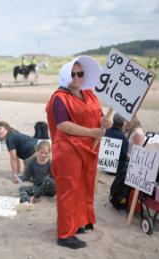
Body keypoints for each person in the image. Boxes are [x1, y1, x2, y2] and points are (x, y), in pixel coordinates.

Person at [45, 57, 106, 249]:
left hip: (88, 150)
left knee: (83, 188)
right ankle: (65, 235)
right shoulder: (59, 98)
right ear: (65, 75)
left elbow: (100, 117)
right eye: (73, 74)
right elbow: (63, 125)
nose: (77, 77)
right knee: (69, 191)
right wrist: (91, 132)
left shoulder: (90, 95)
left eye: (80, 74)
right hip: (68, 151)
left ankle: (77, 224)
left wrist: (107, 123)